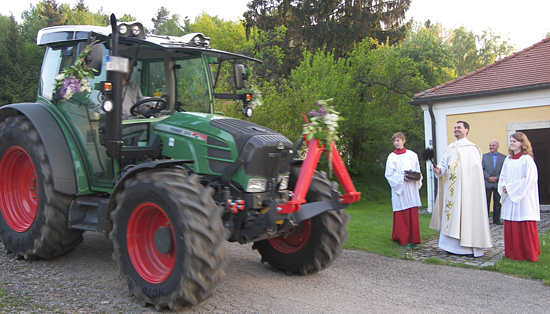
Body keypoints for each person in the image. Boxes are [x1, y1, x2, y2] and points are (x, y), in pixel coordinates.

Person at [430, 121, 492, 257]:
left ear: (467, 130)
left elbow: (474, 172)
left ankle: (467, 248)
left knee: (467, 214)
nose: (456, 129)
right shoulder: (450, 148)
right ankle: (450, 246)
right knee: (451, 214)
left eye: (459, 127)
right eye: (455, 128)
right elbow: (443, 167)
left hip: (467, 191)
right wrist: (438, 169)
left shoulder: (472, 149)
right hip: (452, 190)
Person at [498, 132, 540, 262]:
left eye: (514, 141)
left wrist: (510, 188)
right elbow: (502, 177)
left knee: (524, 226)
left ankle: (527, 254)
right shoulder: (507, 160)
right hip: (510, 198)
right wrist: (504, 187)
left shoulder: (527, 159)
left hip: (524, 199)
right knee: (511, 227)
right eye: (510, 140)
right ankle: (512, 253)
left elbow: (530, 179)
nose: (511, 143)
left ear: (522, 143)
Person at [385, 132, 422, 249]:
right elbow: (389, 174)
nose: (396, 143)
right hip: (400, 189)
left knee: (412, 213)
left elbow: (417, 169)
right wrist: (402, 178)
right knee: (402, 214)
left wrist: (416, 177)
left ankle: (413, 239)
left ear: (403, 141)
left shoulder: (412, 155)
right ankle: (402, 239)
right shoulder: (392, 157)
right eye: (394, 141)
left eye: (398, 140)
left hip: (411, 188)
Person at [482, 140, 506, 224]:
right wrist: (488, 177)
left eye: (493, 145)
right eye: (490, 145)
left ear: (497, 146)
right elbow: (481, 169)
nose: (491, 147)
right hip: (487, 183)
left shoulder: (503, 157)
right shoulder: (484, 157)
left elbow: (504, 170)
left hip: (498, 183)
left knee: (497, 202)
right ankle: (485, 220)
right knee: (486, 202)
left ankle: (496, 219)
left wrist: (497, 178)